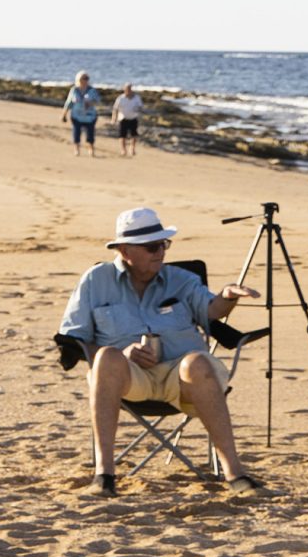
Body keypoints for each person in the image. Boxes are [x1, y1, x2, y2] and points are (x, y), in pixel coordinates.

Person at [59, 207, 262, 494]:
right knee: (105, 356)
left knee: (197, 364)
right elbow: (72, 340)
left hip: (179, 377)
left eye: (164, 244)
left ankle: (236, 474)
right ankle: (104, 475)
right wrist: (123, 355)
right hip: (128, 378)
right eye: (152, 246)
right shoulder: (95, 281)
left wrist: (228, 296)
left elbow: (211, 310)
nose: (161, 252)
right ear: (125, 250)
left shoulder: (181, 279)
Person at [63, 71, 102, 157]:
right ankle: (76, 149)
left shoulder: (92, 90)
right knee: (76, 132)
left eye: (87, 78)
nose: (85, 80)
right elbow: (69, 103)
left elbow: (98, 102)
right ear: (78, 79)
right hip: (76, 116)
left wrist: (91, 103)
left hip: (90, 116)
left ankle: (91, 149)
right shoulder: (74, 90)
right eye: (83, 78)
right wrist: (64, 114)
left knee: (90, 134)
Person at [114, 83, 145, 157]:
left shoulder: (137, 98)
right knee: (122, 135)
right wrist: (114, 119)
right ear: (124, 89)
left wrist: (138, 109)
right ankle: (123, 150)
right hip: (123, 118)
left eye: (130, 89)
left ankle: (132, 148)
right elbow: (115, 109)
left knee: (134, 135)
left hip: (133, 118)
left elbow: (141, 107)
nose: (128, 90)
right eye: (127, 89)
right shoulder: (121, 98)